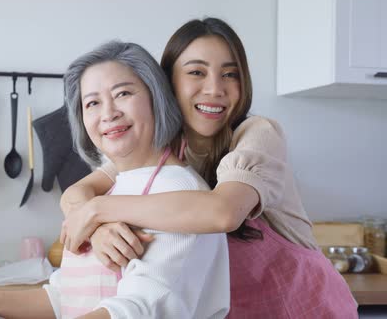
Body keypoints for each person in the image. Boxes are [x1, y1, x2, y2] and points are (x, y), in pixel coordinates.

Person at [59, 18, 358, 318]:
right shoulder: (162, 148)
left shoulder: (258, 135)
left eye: (230, 74)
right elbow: (77, 192)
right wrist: (98, 231)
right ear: (165, 83)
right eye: (196, 73)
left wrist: (98, 211)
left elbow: (223, 212)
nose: (215, 89)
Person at [0, 41, 230, 319]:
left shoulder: (177, 190)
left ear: (156, 99)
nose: (108, 113)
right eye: (92, 103)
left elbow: (138, 309)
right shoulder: (118, 183)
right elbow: (64, 298)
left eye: (123, 93)